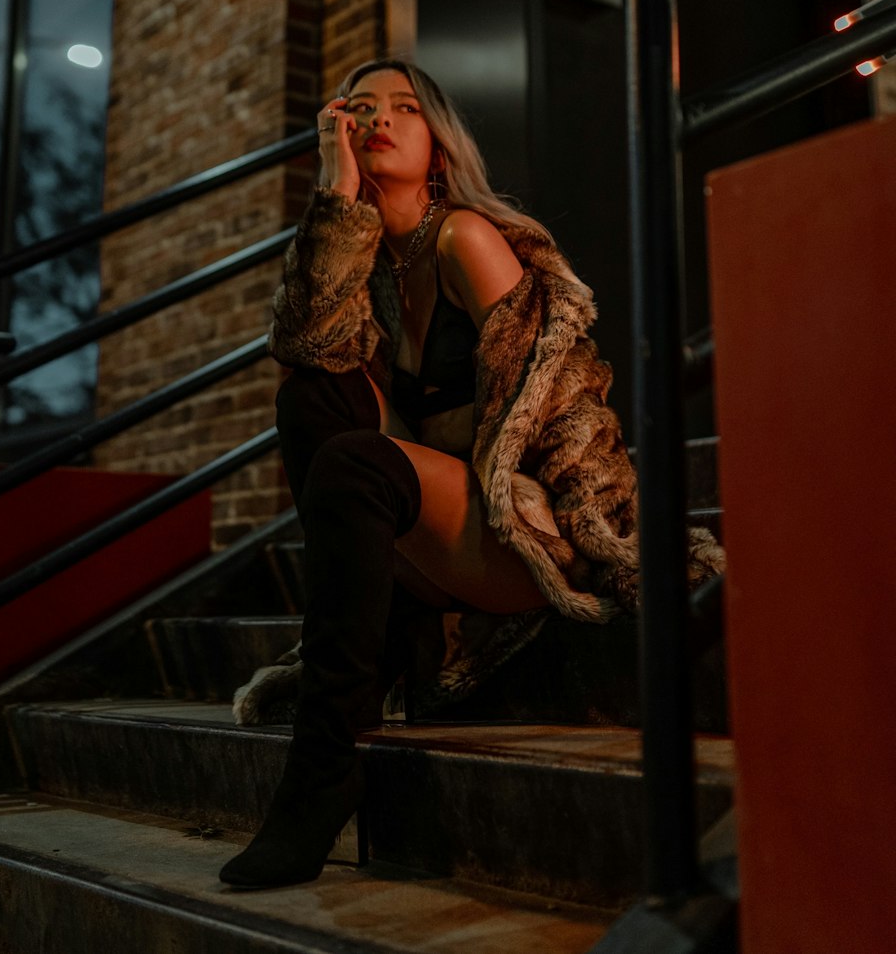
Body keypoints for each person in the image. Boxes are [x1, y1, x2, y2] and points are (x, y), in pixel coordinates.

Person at [219, 58, 723, 890]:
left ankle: (320, 773)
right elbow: (308, 344)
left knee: (351, 458)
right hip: (427, 535)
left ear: (441, 148)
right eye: (362, 107)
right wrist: (337, 198)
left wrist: (604, 538)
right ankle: (386, 648)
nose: (379, 119)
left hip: (513, 538)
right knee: (311, 397)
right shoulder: (368, 266)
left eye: (405, 109)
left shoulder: (467, 238)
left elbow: (566, 403)